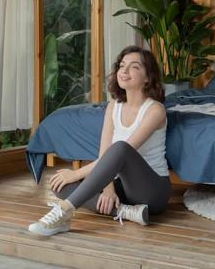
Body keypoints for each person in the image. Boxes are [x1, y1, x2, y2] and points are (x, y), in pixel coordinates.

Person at [28, 46, 170, 236]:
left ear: (148, 77)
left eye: (134, 67)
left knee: (121, 148)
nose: (125, 71)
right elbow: (105, 154)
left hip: (151, 191)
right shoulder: (114, 106)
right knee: (60, 184)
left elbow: (122, 152)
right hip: (121, 186)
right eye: (122, 66)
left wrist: (76, 173)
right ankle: (126, 212)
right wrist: (107, 188)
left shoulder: (155, 110)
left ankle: (64, 211)